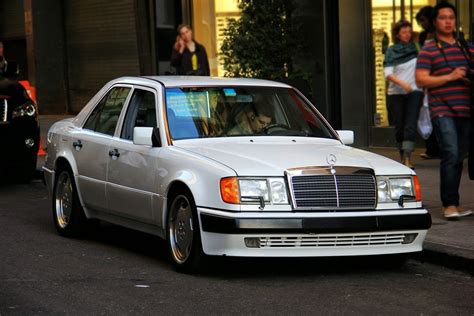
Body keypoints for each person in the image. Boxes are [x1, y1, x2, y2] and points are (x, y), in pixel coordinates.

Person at [416, 2, 473, 219]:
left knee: (458, 156)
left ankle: (455, 204)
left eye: (451, 17)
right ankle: (449, 205)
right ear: (435, 22)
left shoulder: (465, 47)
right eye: (443, 17)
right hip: (442, 110)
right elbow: (421, 79)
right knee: (450, 152)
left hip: (465, 109)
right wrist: (449, 76)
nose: (448, 21)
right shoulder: (429, 49)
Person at [383, 20, 423, 169]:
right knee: (399, 126)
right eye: (404, 32)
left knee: (410, 125)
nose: (407, 35)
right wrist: (403, 84)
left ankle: (407, 157)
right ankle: (402, 154)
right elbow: (388, 74)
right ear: (397, 34)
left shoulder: (417, 48)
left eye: (409, 32)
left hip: (415, 92)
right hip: (396, 93)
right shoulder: (391, 51)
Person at [416, 6, 440, 160]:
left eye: (423, 21)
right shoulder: (423, 36)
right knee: (428, 114)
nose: (422, 24)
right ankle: (432, 148)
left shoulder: (443, 35)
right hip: (427, 78)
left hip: (440, 77)